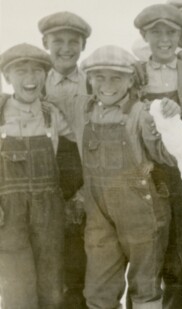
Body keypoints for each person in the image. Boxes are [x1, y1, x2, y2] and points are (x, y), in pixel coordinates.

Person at [55, 45, 179, 309]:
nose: (107, 85)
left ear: (130, 80)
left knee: (145, 289)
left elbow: (166, 157)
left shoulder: (142, 113)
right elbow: (43, 94)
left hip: (142, 215)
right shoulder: (80, 109)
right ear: (88, 78)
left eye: (116, 78)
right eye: (99, 77)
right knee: (98, 291)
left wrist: (167, 123)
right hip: (99, 216)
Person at [134, 4, 182, 309]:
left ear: (180, 34)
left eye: (171, 32)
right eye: (156, 33)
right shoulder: (135, 74)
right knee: (154, 252)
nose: (164, 39)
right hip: (147, 173)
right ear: (144, 35)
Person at [0, 43, 74, 309]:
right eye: (21, 71)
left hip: (48, 211)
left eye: (37, 71)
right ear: (7, 77)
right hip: (8, 213)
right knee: (17, 291)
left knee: (53, 289)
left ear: (45, 76)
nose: (30, 78)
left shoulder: (51, 114)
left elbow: (78, 143)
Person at [38, 11, 91, 308]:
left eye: (74, 41)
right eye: (58, 41)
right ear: (46, 42)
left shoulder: (94, 83)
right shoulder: (34, 85)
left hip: (89, 181)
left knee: (83, 266)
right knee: (49, 268)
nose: (66, 48)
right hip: (47, 183)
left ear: (83, 46)